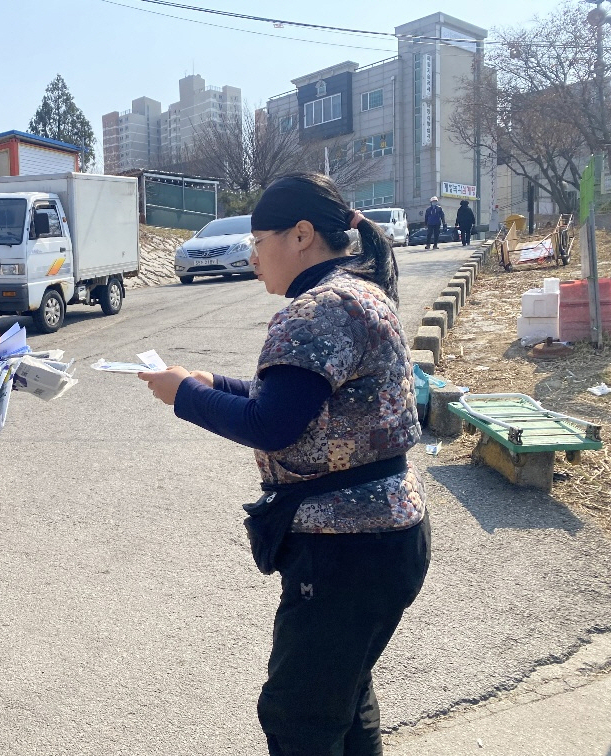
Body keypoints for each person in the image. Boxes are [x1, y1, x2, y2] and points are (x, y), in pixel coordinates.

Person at [139, 172, 430, 756]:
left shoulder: (318, 308)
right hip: (385, 536)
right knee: (344, 698)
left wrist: (184, 396)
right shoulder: (358, 291)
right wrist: (214, 382)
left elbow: (273, 424)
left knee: (298, 717)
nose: (252, 256)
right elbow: (301, 399)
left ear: (301, 235)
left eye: (258, 241)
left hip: (346, 548)